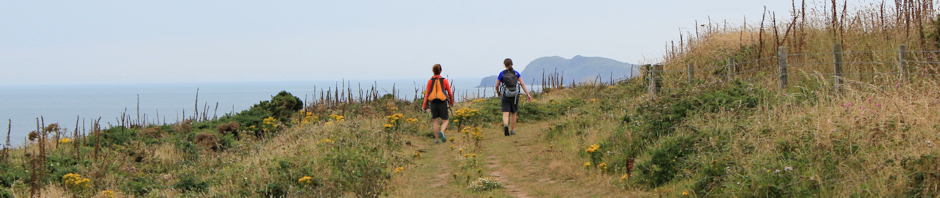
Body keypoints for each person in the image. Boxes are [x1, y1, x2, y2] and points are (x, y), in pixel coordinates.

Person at [495, 58, 532, 136]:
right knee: (513, 113)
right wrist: (528, 94)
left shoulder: (502, 74)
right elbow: (522, 84)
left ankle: (505, 125)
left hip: (505, 95)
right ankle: (512, 130)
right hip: (515, 96)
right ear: (512, 64)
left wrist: (498, 93)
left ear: (504, 65)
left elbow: (497, 85)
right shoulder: (516, 73)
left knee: (505, 113)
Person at [422, 64, 455, 143]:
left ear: (433, 71)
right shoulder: (444, 81)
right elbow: (450, 93)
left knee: (435, 121)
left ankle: (436, 139)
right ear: (440, 71)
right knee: (445, 120)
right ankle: (442, 132)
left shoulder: (430, 81)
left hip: (433, 103)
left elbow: (427, 94)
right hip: (442, 102)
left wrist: (424, 105)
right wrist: (451, 102)